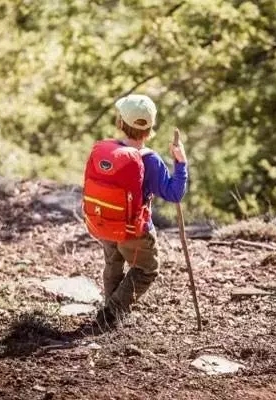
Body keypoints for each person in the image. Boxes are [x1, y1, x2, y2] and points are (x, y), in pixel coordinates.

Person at [83, 93, 188, 330]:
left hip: (105, 223)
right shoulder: (150, 160)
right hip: (134, 231)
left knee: (114, 264)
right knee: (146, 269)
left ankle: (110, 313)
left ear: (121, 123)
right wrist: (180, 162)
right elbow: (174, 193)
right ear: (151, 128)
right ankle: (111, 313)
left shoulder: (108, 152)